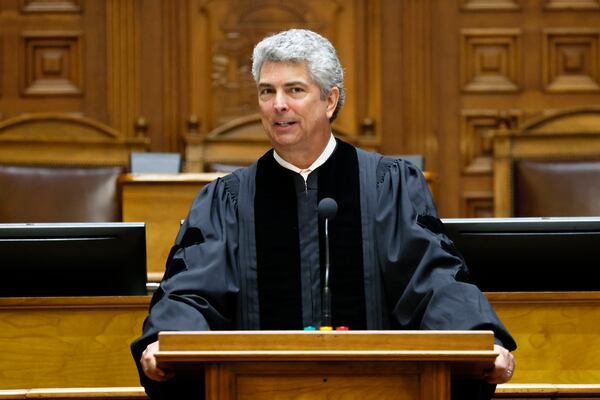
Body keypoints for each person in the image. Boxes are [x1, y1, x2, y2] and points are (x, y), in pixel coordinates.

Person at [131, 28, 516, 399]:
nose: (278, 104)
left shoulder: (387, 186)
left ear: (330, 100)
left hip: (377, 392)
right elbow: (192, 291)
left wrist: (480, 338)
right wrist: (164, 339)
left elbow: (433, 280)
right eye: (268, 91)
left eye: (294, 90)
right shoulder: (229, 199)